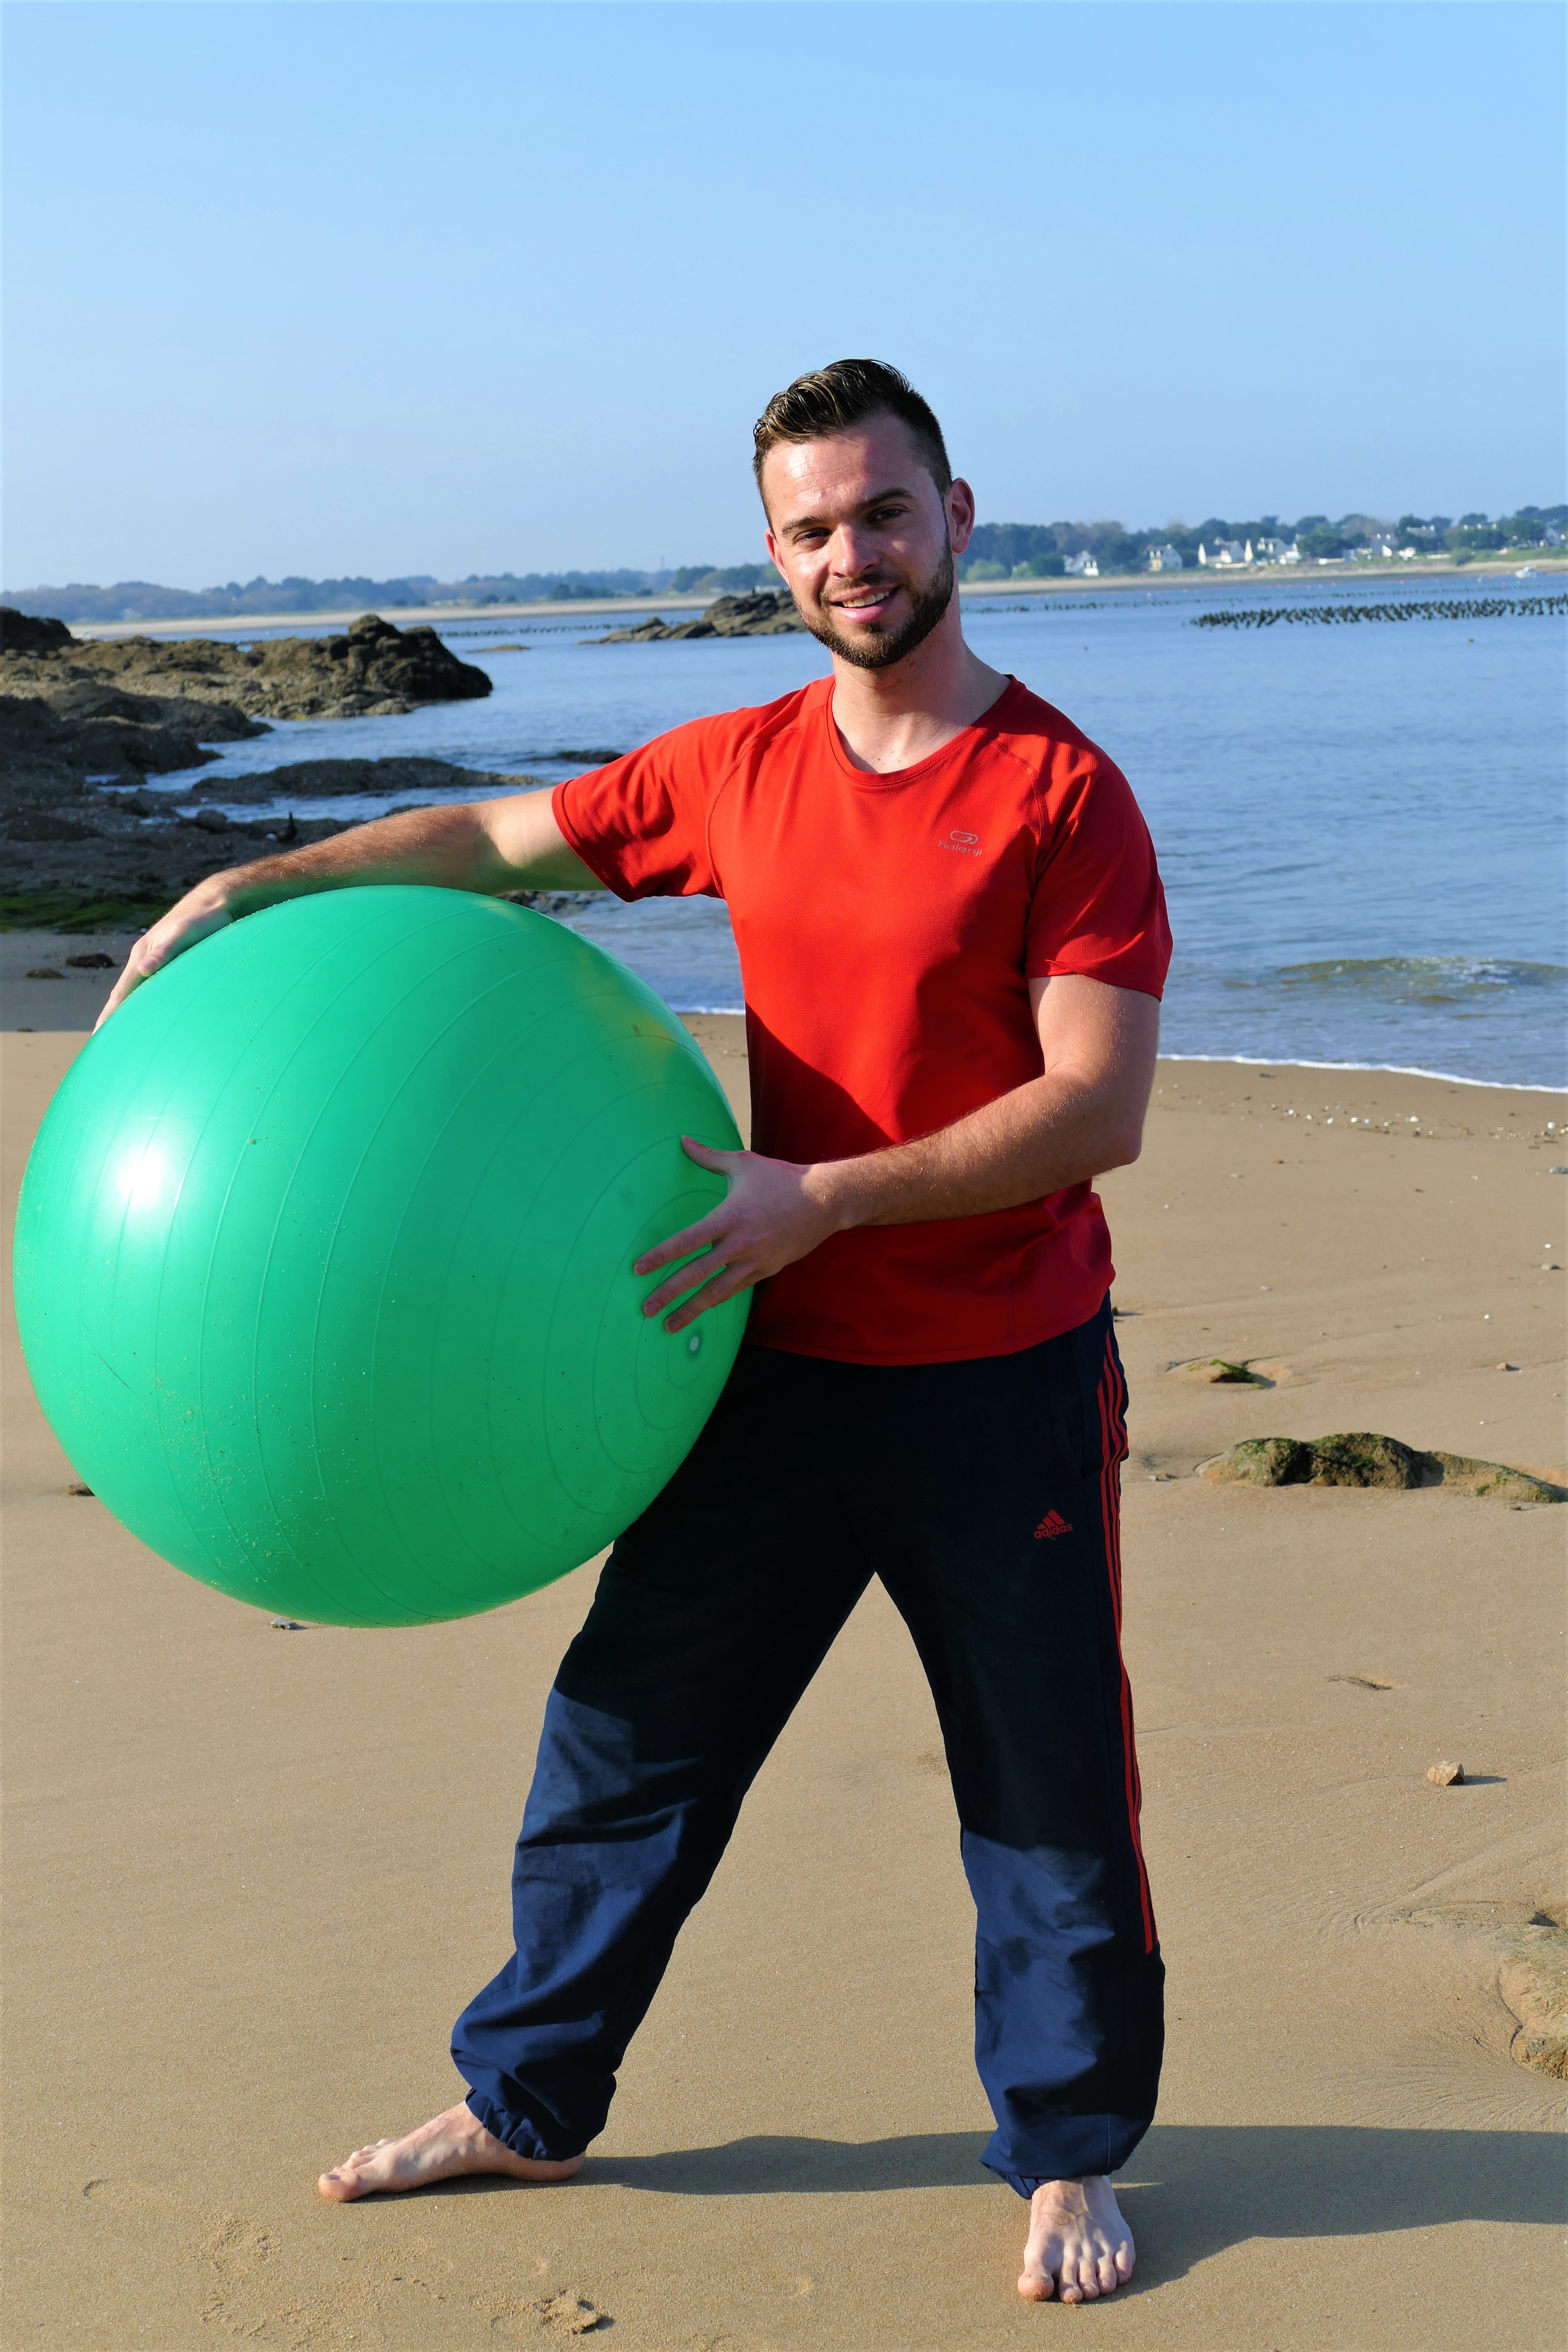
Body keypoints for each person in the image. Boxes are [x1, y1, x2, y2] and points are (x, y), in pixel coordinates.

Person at [101, 360, 1171, 2305]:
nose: (854, 554)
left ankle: (1071, 2154)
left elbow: (1097, 1107)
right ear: (775, 552)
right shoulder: (741, 770)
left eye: (885, 512)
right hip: (758, 1363)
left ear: (955, 516)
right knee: (626, 1743)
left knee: (1046, 1786)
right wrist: (253, 886)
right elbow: (489, 841)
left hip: (999, 1380)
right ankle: (527, 2099)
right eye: (813, 528)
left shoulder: (1061, 793)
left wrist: (821, 1197)